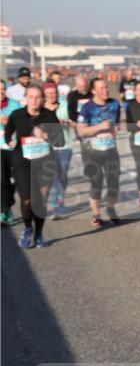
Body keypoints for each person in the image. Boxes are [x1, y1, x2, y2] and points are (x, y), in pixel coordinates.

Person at [4, 84, 63, 248]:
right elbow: (9, 131)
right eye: (31, 97)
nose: (34, 100)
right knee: (27, 200)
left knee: (40, 200)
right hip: (22, 162)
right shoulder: (17, 115)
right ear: (26, 98)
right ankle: (28, 228)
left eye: (38, 97)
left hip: (45, 162)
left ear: (43, 98)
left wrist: (44, 135)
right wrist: (10, 140)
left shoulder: (49, 116)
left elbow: (60, 141)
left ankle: (38, 234)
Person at [77, 77, 123, 227]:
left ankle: (111, 208)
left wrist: (116, 128)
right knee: (96, 183)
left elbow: (117, 122)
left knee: (114, 182)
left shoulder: (114, 104)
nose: (105, 90)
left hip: (110, 149)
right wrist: (99, 127)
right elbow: (81, 130)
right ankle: (96, 214)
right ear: (93, 91)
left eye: (106, 87)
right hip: (92, 151)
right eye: (101, 88)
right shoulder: (87, 108)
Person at [42, 81, 74, 218]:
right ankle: (56, 206)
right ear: (44, 94)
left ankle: (60, 198)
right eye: (48, 93)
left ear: (57, 93)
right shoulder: (40, 107)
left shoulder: (65, 106)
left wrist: (66, 123)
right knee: (53, 176)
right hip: (46, 147)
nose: (51, 95)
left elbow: (75, 122)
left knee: (62, 175)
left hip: (65, 145)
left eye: (53, 92)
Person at [0, 81, 21, 226]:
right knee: (2, 181)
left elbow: (22, 121)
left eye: (3, 89)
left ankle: (9, 201)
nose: (1, 91)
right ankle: (3, 211)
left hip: (12, 147)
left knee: (16, 181)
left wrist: (10, 122)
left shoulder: (14, 104)